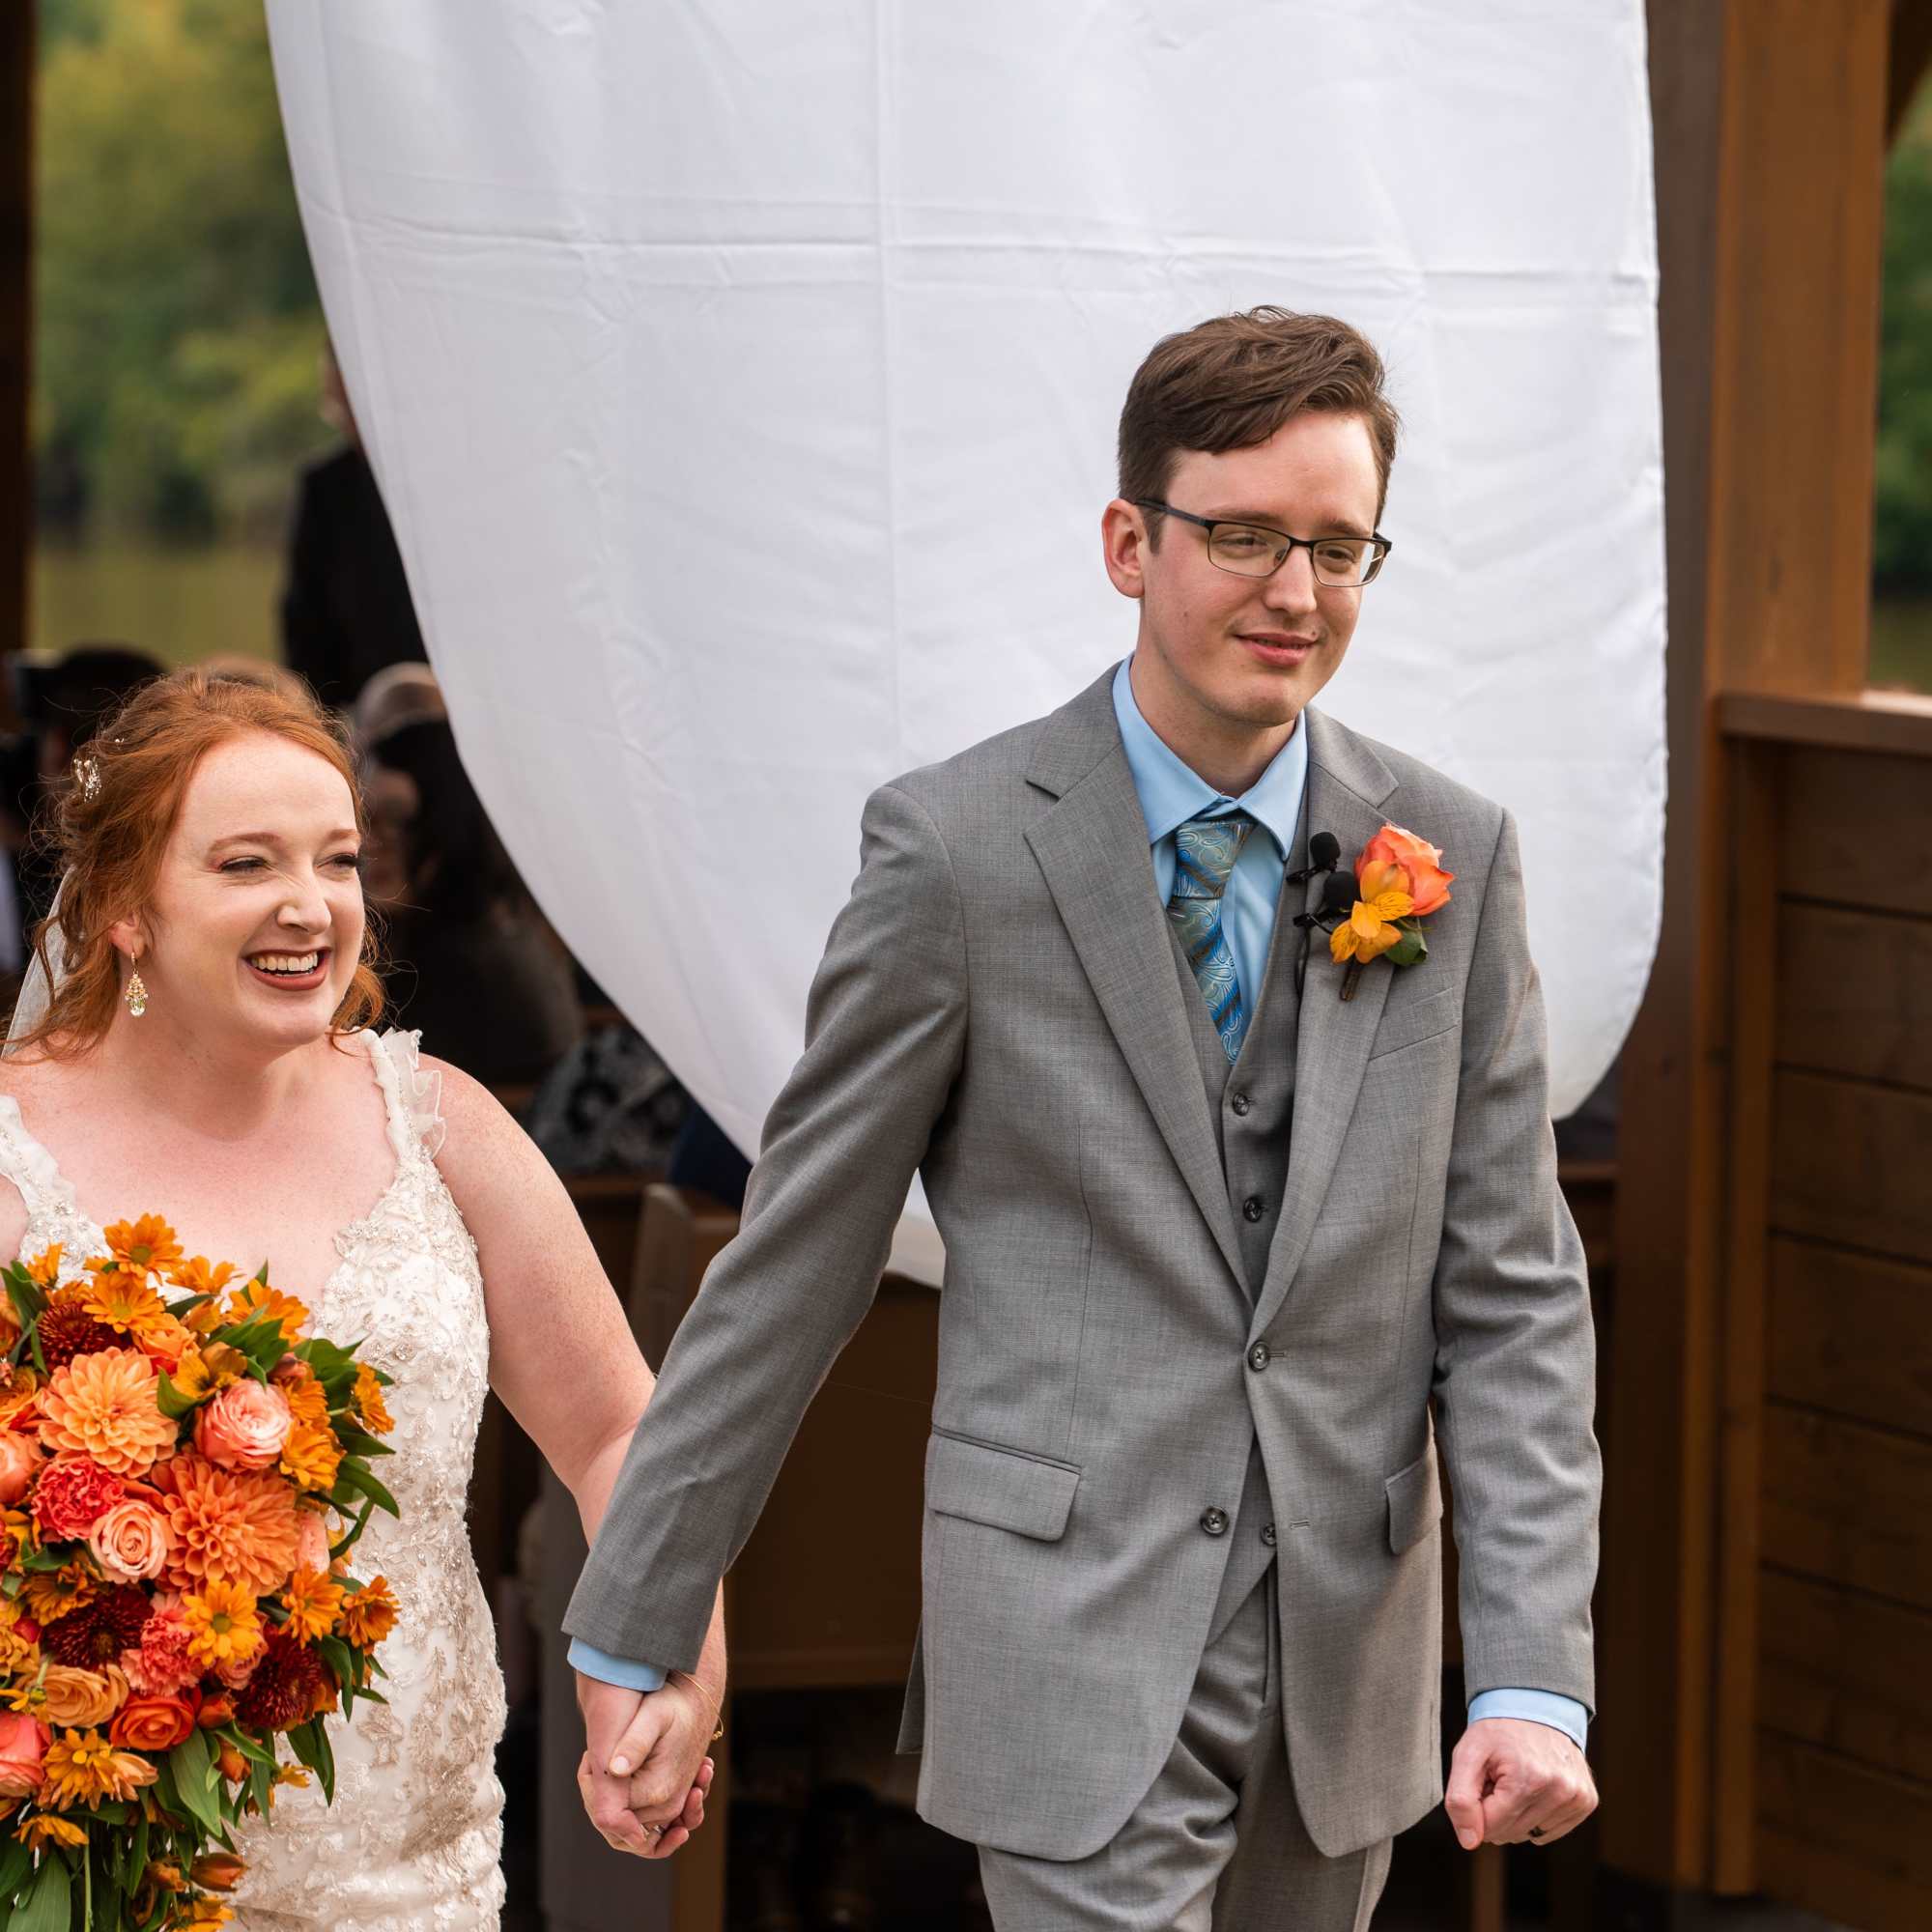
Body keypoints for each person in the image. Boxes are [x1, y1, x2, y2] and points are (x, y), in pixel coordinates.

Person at [567, 310, 1601, 1929]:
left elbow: (1516, 1292)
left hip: (1348, 1661)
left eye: (1338, 547)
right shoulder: (959, 854)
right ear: (1131, 542)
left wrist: (1533, 1671)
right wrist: (635, 1618)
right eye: (1246, 536)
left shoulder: (1447, 856)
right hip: (1065, 1636)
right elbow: (799, 1261)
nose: (1295, 592)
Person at [0, 668, 720, 1927]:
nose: (309, 905)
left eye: (337, 860)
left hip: (406, 1878)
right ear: (121, 905)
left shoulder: (445, 1131)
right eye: (244, 864)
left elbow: (621, 1432)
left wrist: (660, 1667)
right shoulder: (14, 1150)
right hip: (95, 1864)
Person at [353, 664, 583, 1091]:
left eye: (396, 819)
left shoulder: (476, 969)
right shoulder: (485, 931)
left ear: (446, 822)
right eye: (364, 819)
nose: (370, 843)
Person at [281, 348, 428, 711]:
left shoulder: (443, 483)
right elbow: (305, 620)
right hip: (356, 710)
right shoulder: (326, 486)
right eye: (338, 406)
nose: (348, 419)